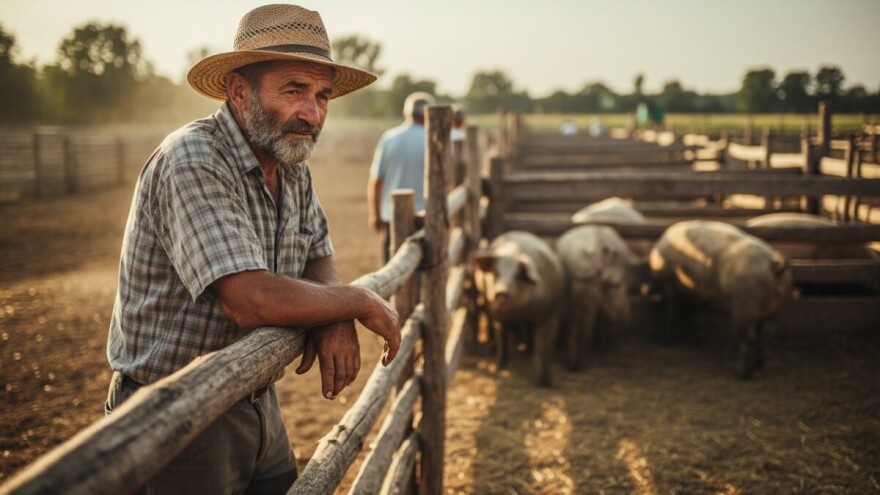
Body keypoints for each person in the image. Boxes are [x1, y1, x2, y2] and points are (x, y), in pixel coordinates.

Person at [104, 5, 401, 494]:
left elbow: (318, 253)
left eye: (322, 95)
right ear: (238, 90)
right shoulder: (193, 158)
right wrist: (358, 301)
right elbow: (249, 299)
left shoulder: (289, 160)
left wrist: (332, 314)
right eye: (294, 91)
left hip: (254, 392)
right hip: (175, 410)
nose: (312, 113)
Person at [367, 91, 436, 264]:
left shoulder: (389, 138)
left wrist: (374, 214)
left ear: (407, 113)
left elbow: (376, 180)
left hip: (392, 215)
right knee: (419, 266)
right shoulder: (433, 140)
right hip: (424, 215)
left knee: (392, 266)